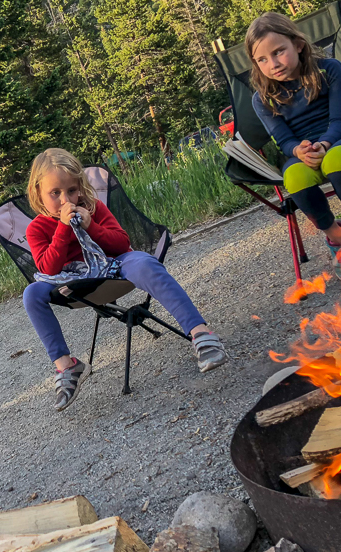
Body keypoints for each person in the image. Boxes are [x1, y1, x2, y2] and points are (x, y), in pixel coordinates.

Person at [23, 148, 229, 411]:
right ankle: (67, 366)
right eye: (55, 193)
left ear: (80, 187)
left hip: (112, 267)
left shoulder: (94, 209)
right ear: (38, 193)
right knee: (31, 294)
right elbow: (48, 267)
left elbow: (122, 243)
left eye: (72, 190)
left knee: (143, 261)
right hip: (70, 281)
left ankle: (200, 333)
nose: (66, 200)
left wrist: (90, 226)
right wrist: (64, 228)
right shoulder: (37, 228)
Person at [246, 12, 341, 273]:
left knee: (337, 159)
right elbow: (284, 139)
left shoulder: (328, 69)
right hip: (301, 153)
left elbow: (340, 119)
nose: (273, 63)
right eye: (262, 59)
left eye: (279, 52)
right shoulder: (262, 98)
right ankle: (337, 236)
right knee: (295, 179)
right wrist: (298, 150)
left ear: (298, 45)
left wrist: (324, 144)